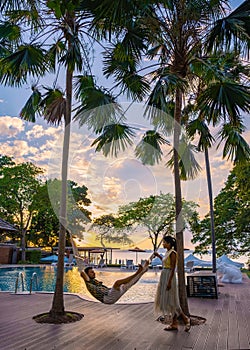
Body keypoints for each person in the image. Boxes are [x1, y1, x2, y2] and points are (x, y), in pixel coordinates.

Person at [154, 235, 191, 332]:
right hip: (164, 275)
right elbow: (166, 263)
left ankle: (185, 319)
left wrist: (169, 281)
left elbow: (172, 268)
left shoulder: (173, 253)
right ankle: (174, 323)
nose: (163, 244)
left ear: (169, 243)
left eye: (165, 242)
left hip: (169, 276)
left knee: (173, 300)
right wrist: (158, 256)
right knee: (170, 301)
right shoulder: (167, 252)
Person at [80, 260, 150, 304]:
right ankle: (138, 272)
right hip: (107, 298)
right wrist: (80, 263)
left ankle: (143, 271)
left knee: (129, 283)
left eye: (93, 271)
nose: (94, 273)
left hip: (110, 294)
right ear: (87, 275)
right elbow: (82, 273)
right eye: (92, 272)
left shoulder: (93, 281)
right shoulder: (88, 282)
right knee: (117, 283)